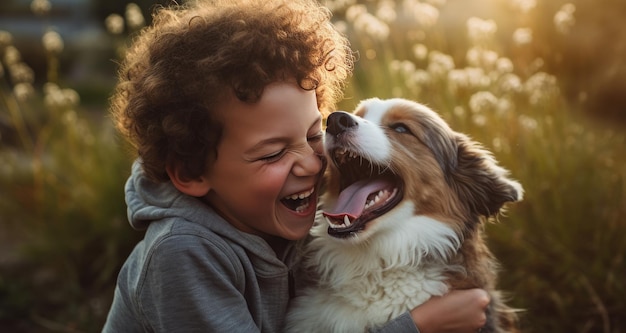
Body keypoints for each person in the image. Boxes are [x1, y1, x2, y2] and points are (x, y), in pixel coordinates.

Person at [103, 0, 490, 332]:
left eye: (311, 135)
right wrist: (417, 326)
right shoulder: (183, 253)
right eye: (272, 154)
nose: (311, 163)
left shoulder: (272, 216)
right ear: (191, 174)